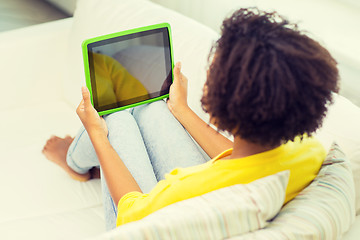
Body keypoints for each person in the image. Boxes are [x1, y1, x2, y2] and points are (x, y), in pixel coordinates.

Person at [42, 8, 339, 230]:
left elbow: (132, 214)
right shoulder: (309, 151)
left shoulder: (186, 189)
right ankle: (88, 160)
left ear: (221, 105)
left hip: (146, 219)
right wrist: (182, 109)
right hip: (225, 181)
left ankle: (76, 162)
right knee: (153, 107)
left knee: (115, 120)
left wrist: (98, 136)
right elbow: (243, 157)